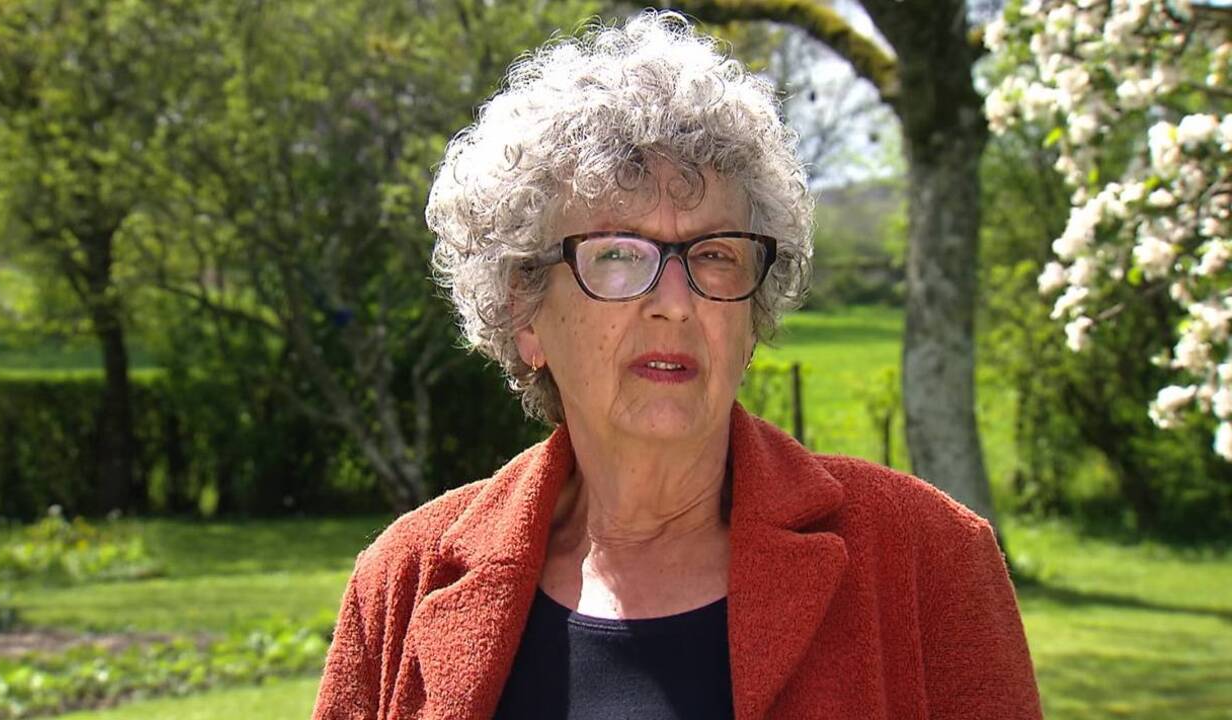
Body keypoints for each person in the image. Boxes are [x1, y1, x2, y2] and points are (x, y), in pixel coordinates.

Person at [312, 11, 1042, 720]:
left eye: (715, 255)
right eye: (618, 255)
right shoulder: (403, 582)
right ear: (524, 313)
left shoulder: (926, 557)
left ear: (752, 315)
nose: (676, 303)